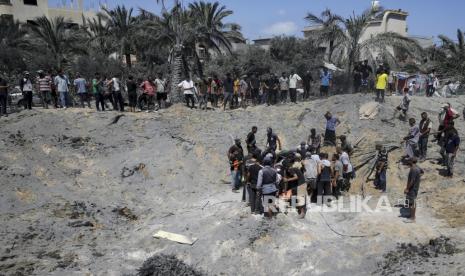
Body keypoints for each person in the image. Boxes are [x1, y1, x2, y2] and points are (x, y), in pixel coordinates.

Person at [403, 157, 423, 222]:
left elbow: (412, 181)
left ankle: (412, 218)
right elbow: (422, 172)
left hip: (412, 188)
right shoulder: (417, 167)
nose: (407, 162)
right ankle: (411, 215)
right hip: (415, 187)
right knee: (410, 202)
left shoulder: (413, 169)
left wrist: (407, 188)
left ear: (411, 162)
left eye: (408, 161)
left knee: (412, 203)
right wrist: (418, 178)